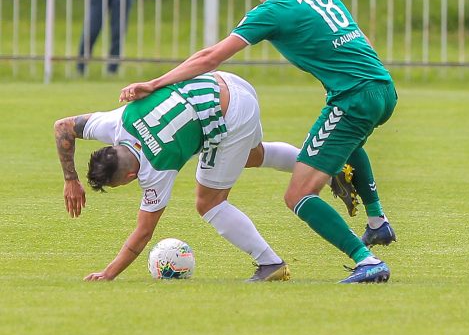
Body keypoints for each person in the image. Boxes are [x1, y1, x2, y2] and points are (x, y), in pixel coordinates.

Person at [119, 0, 398, 284]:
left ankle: (367, 261)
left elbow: (210, 58)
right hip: (383, 87)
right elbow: (360, 38)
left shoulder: (273, 9)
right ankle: (376, 223)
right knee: (350, 142)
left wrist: (155, 82)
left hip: (352, 99)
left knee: (298, 196)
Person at [55, 71, 301, 282]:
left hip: (230, 114)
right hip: (223, 83)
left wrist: (108, 273)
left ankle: (270, 263)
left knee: (209, 203)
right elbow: (63, 127)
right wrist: (70, 179)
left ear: (130, 175)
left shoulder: (156, 169)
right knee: (251, 156)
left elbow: (142, 233)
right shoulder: (116, 122)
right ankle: (321, 169)